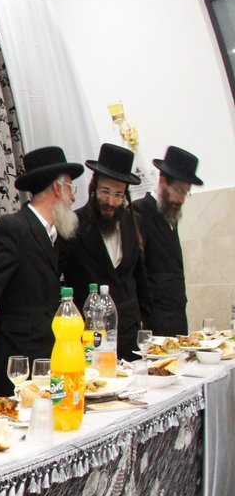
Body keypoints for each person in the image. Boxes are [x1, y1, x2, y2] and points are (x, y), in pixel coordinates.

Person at [0, 147, 82, 399]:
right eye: (71, 188)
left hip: (47, 356)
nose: (73, 198)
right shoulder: (14, 227)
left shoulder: (56, 235)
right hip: (18, 360)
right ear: (58, 188)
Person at [59, 143, 148, 358]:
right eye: (105, 191)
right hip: (90, 335)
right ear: (93, 188)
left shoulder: (134, 221)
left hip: (129, 332)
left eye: (118, 195)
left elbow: (141, 278)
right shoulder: (73, 225)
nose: (111, 201)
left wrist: (147, 325)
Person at [133, 145, 201, 335]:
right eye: (179, 191)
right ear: (163, 181)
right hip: (154, 324)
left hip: (177, 319)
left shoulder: (170, 214)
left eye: (186, 192)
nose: (182, 199)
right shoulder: (140, 211)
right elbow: (138, 271)